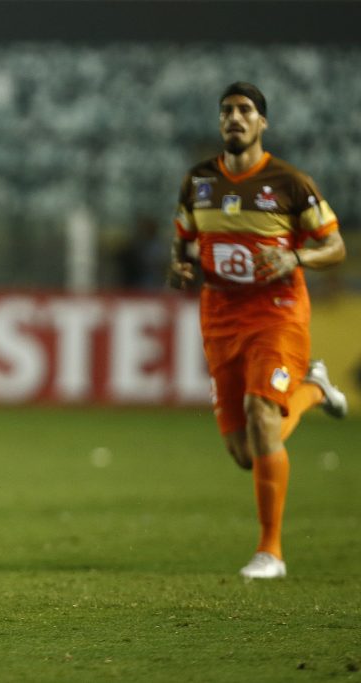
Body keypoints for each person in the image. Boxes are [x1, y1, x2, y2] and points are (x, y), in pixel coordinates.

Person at [168, 82, 347, 579]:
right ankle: (313, 390)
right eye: (227, 110)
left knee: (261, 414)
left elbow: (334, 247)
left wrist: (293, 255)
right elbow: (183, 246)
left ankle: (271, 552)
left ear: (262, 123)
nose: (235, 118)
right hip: (220, 319)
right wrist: (179, 270)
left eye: (246, 110)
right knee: (246, 453)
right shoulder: (198, 181)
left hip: (277, 313)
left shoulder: (290, 183)